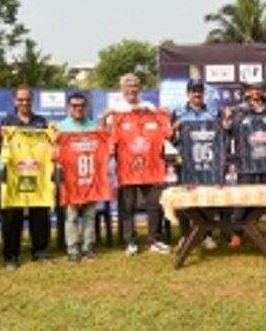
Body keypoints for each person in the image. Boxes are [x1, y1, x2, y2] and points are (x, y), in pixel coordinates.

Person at [108, 73, 172, 257]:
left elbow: (166, 133)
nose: (131, 89)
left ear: (140, 88)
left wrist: (165, 115)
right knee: (127, 206)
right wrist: (104, 120)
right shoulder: (116, 111)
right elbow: (109, 139)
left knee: (154, 204)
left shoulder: (150, 108)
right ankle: (130, 241)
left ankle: (154, 240)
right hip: (127, 167)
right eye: (127, 86)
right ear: (122, 89)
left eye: (135, 85)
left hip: (151, 166)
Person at [225, 81, 266, 249]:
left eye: (259, 89)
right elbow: (227, 131)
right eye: (252, 89)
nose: (255, 92)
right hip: (246, 164)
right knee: (242, 200)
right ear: (247, 92)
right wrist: (226, 120)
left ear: (264, 91)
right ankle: (237, 233)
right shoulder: (237, 111)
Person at [0, 85, 52, 269]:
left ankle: (40, 251)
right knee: (12, 217)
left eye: (28, 99)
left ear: (33, 100)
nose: (24, 103)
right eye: (21, 99)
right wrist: (1, 135)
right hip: (15, 175)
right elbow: (0, 148)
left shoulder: (41, 121)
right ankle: (11, 255)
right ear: (15, 100)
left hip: (37, 175)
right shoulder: (6, 121)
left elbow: (50, 144)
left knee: (40, 214)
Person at [171, 79, 224, 250]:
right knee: (185, 200)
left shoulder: (214, 112)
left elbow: (223, 136)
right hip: (186, 162)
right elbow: (169, 138)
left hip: (209, 162)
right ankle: (186, 235)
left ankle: (206, 235)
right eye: (193, 91)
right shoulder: (178, 112)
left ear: (204, 93)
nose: (197, 94)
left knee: (206, 199)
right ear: (187, 93)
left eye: (199, 90)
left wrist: (226, 126)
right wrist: (174, 129)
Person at [54, 92, 106, 263]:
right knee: (72, 215)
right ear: (69, 107)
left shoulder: (94, 127)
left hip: (91, 177)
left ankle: (88, 247)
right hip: (70, 179)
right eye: (74, 106)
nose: (78, 109)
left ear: (86, 107)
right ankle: (72, 248)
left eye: (81, 105)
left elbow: (104, 149)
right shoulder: (60, 128)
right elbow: (54, 153)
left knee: (90, 214)